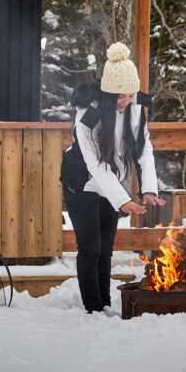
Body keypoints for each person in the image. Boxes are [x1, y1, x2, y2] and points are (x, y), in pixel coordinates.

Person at [59, 43, 165, 313]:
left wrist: (149, 188)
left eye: (130, 94)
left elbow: (144, 149)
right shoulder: (88, 113)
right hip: (81, 181)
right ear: (107, 92)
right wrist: (123, 200)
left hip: (111, 183)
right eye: (120, 95)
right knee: (90, 246)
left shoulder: (135, 106)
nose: (125, 100)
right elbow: (94, 164)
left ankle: (105, 304)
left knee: (106, 247)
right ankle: (93, 308)